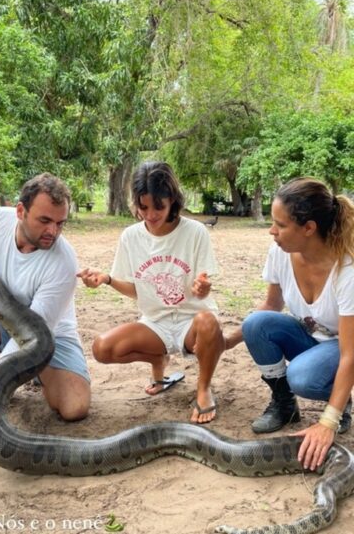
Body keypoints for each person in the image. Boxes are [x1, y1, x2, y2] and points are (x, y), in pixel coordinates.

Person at [223, 178, 354, 471]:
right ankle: (284, 404)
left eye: (280, 225)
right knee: (256, 323)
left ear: (308, 228)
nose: (272, 231)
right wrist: (227, 341)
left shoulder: (348, 270)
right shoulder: (280, 254)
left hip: (344, 346)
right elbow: (271, 306)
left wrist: (326, 423)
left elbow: (349, 354)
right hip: (312, 337)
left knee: (303, 377)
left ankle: (341, 405)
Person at [78, 161, 224, 424]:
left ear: (173, 201)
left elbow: (202, 289)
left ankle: (203, 388)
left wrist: (202, 288)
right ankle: (159, 358)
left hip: (192, 321)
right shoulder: (130, 237)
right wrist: (107, 279)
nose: (151, 215)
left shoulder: (195, 232)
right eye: (143, 207)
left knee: (209, 321)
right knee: (102, 349)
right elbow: (137, 291)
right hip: (155, 323)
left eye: (159, 207)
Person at [0, 173, 91, 421]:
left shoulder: (63, 262)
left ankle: (21, 374)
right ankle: (9, 377)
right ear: (20, 211)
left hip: (49, 336)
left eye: (60, 223)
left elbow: (34, 334)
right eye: (45, 220)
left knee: (75, 407)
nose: (53, 231)